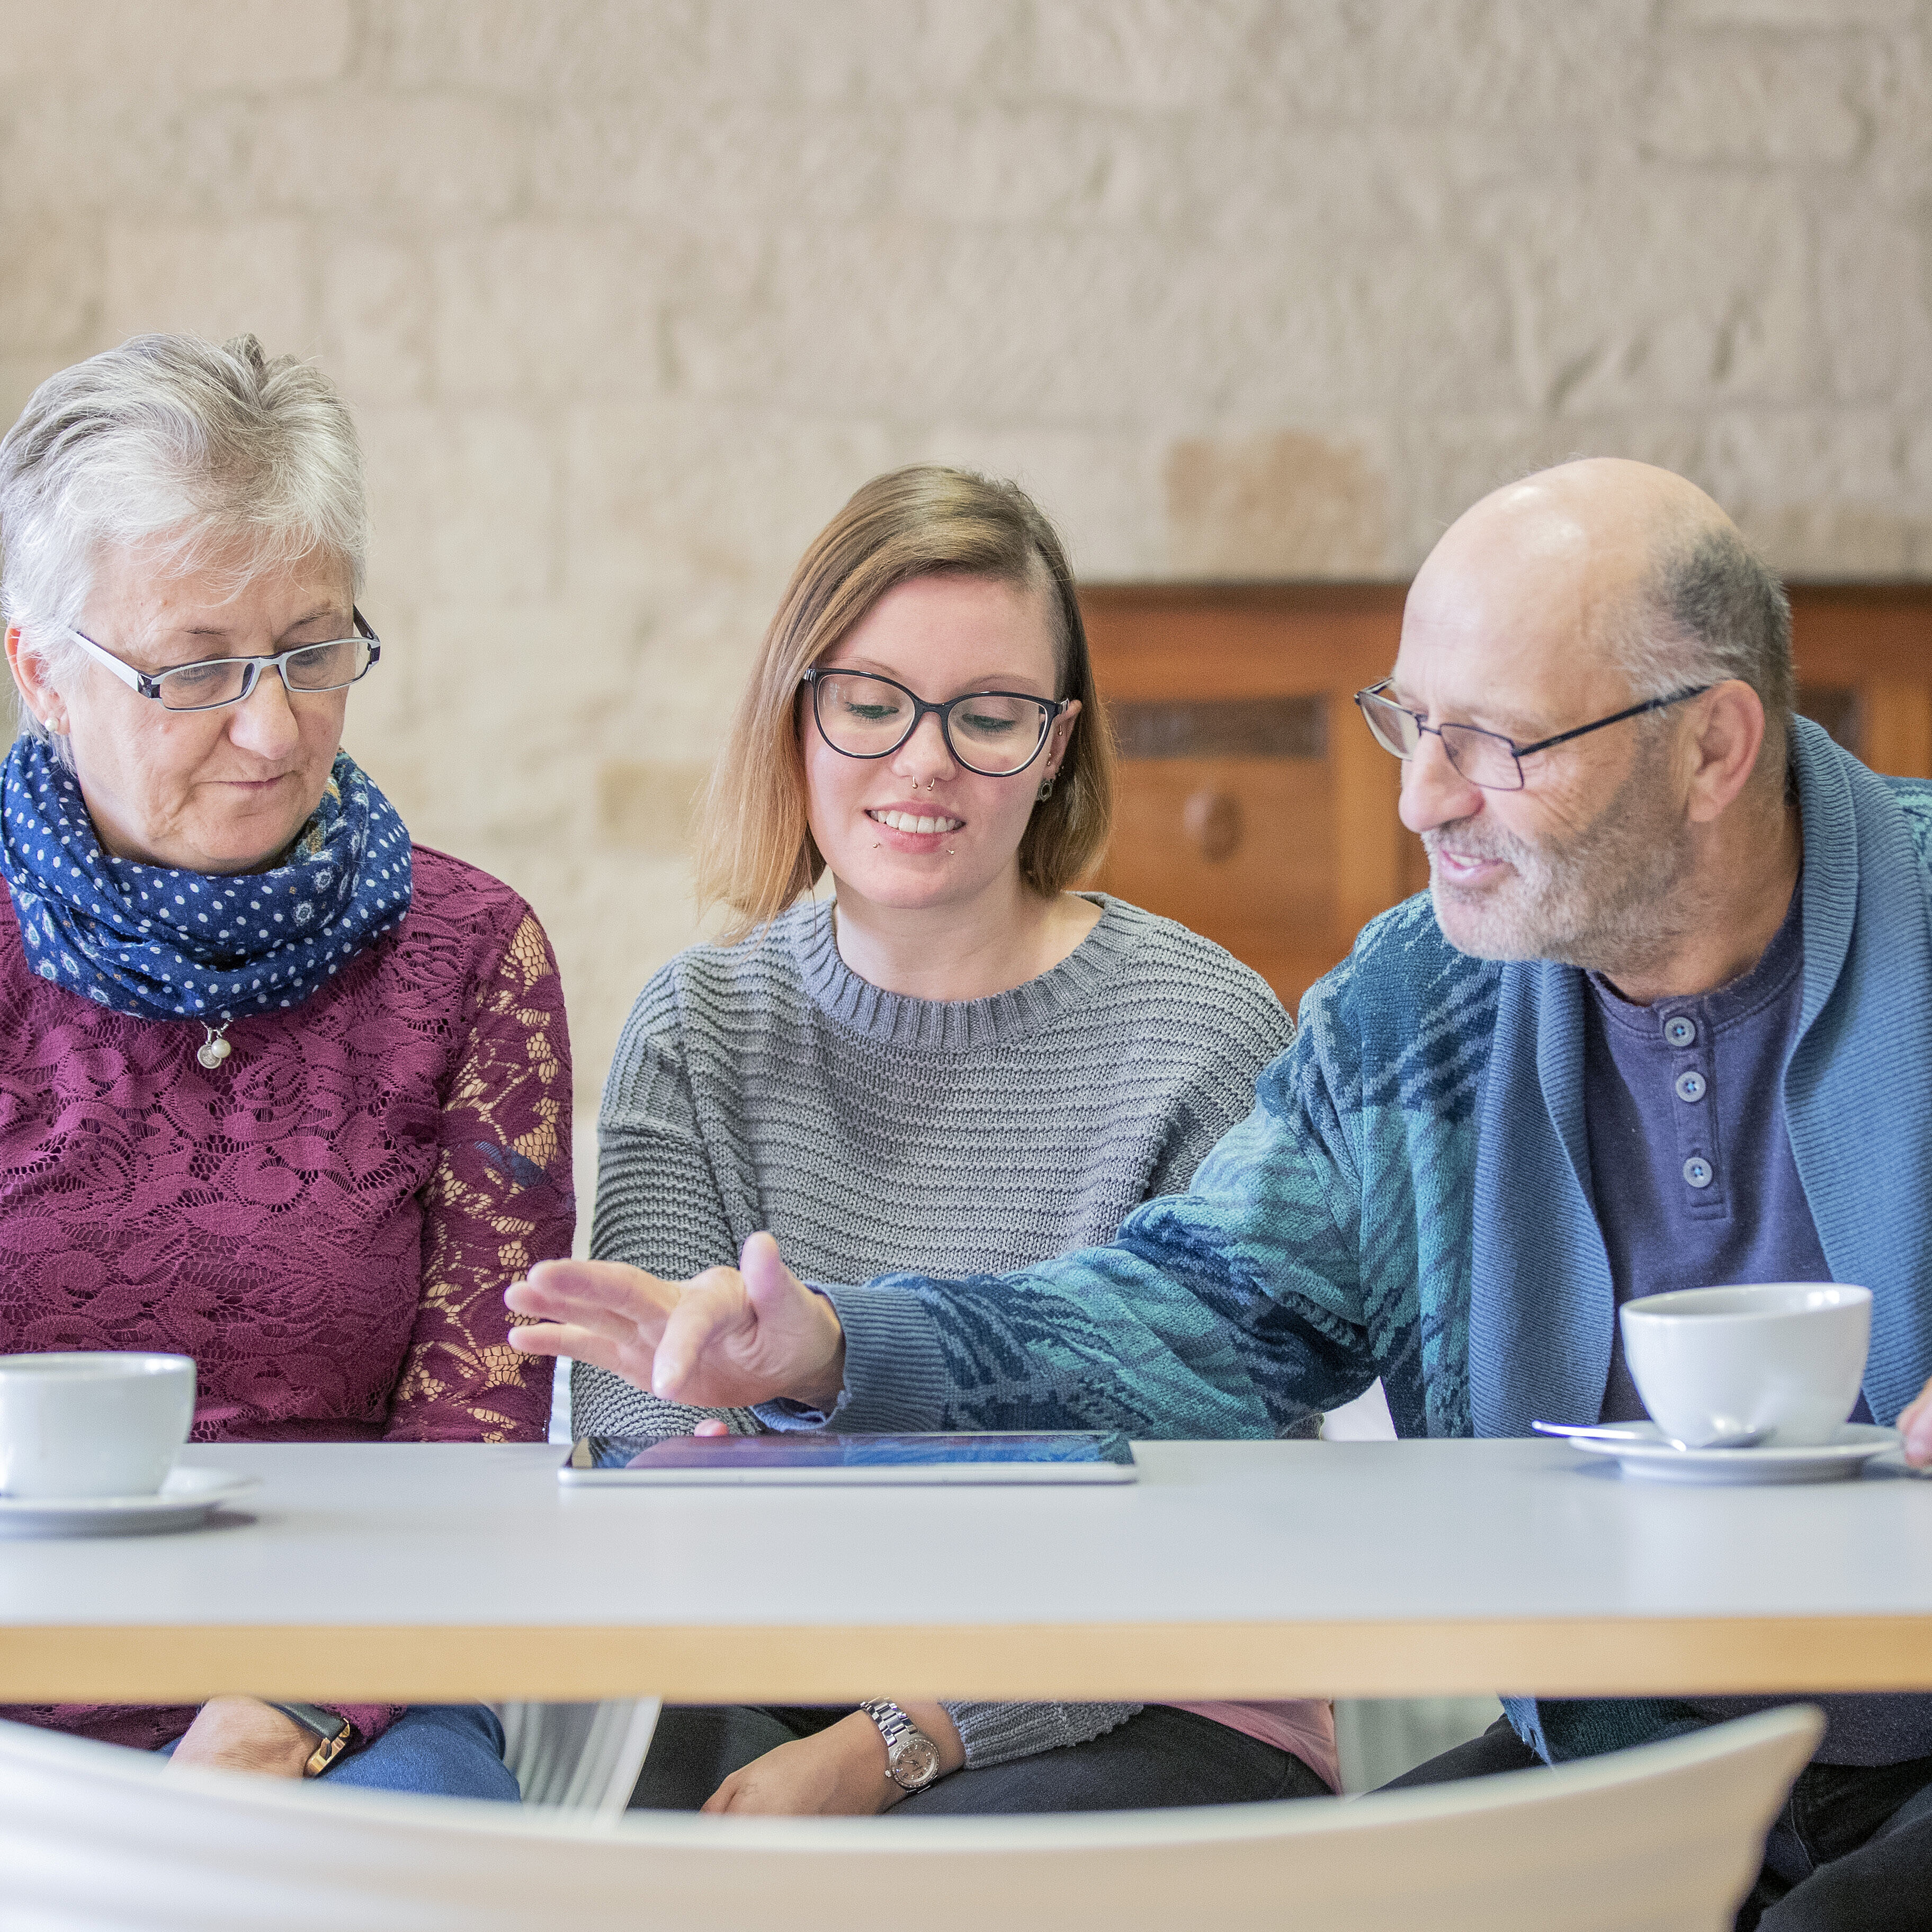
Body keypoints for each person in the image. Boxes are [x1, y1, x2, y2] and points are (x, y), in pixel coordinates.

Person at [512, 457, 1932, 1924]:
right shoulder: (1416, 1006)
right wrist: (839, 1348)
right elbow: (1187, 1316)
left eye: (1496, 742)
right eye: (1410, 723)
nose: (1420, 797)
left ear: (1713, 749)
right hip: (1619, 1752)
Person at [565, 464, 1334, 1814]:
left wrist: (901, 1736)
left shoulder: (1204, 1032)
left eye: (989, 716)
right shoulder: (698, 1029)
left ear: (1056, 747)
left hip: (1149, 1674)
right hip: (768, 1659)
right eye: (871, 704)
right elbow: (651, 1465)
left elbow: (1223, 1494)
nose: (925, 761)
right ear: (796, 721)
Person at [0, 334, 574, 1799]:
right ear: (43, 673)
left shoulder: (469, 956)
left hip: (351, 1691)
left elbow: (477, 1426)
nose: (272, 728)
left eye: (314, 653)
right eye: (194, 670)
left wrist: (290, 1704)